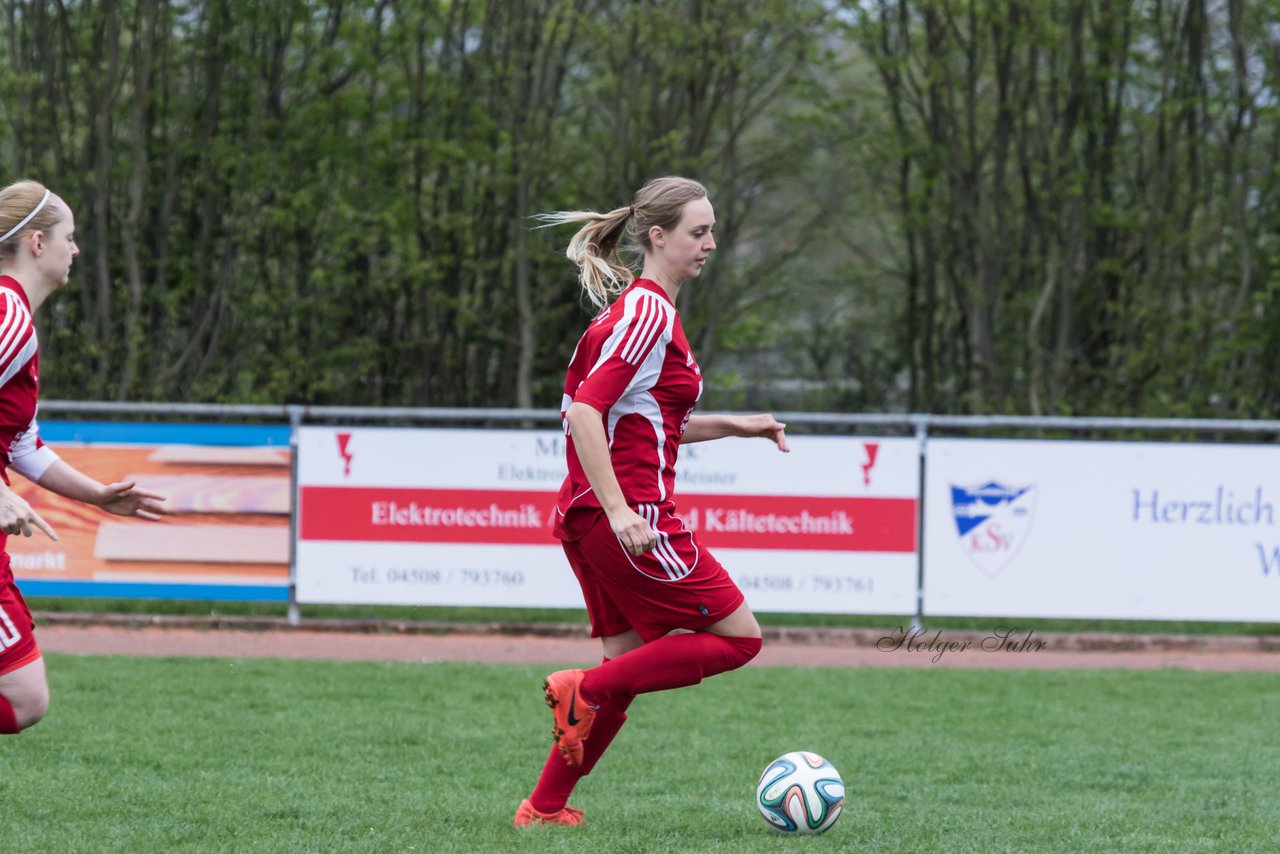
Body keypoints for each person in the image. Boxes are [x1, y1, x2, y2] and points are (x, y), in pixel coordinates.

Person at [514, 176, 789, 827]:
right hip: (628, 518)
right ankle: (581, 689)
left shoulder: (625, 316)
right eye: (699, 231)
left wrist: (738, 426)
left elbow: (646, 422)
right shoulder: (648, 313)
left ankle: (544, 807)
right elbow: (585, 413)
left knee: (626, 666)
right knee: (740, 638)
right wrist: (621, 512)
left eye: (712, 230)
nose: (711, 244)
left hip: (587, 518)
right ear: (657, 236)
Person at [0, 180, 166, 735]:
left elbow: (22, 444)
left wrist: (98, 496)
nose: (77, 249)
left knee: (24, 699)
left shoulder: (16, 315)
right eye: (70, 237)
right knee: (23, 698)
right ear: (38, 244)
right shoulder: (8, 313)